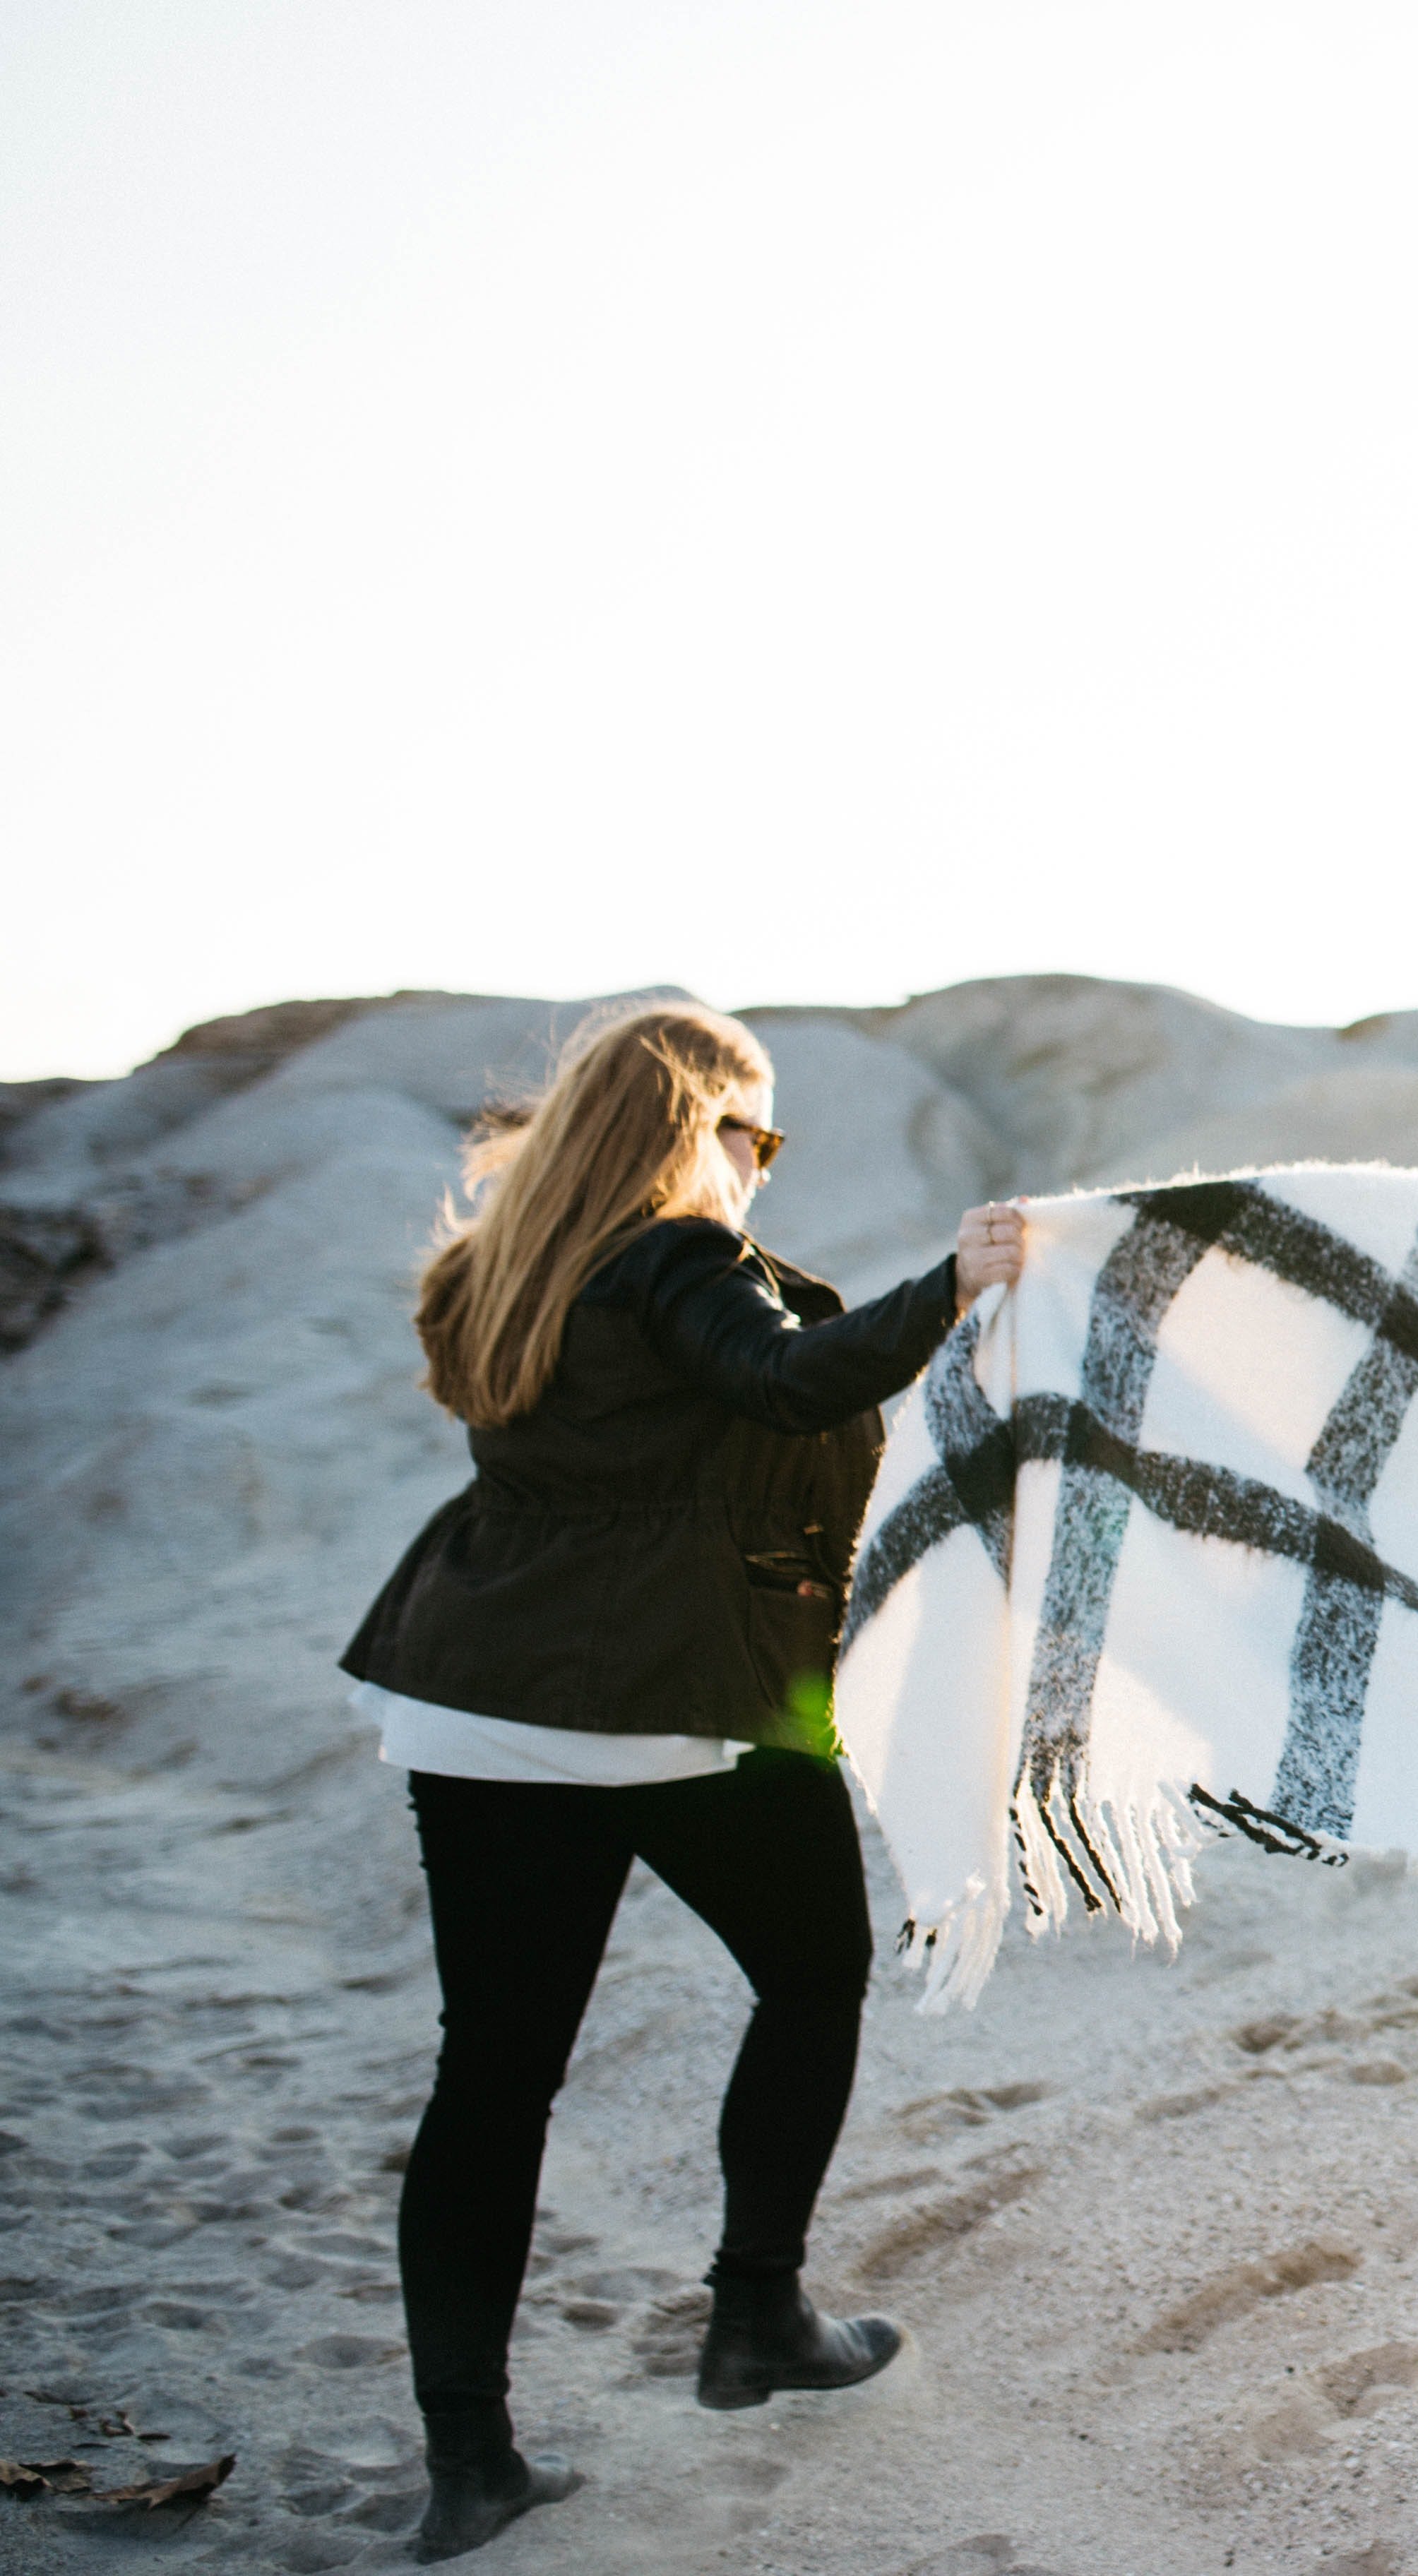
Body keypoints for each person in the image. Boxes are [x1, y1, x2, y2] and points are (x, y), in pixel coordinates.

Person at [338, 1001, 1027, 2562]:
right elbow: (781, 1384)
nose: (761, 1169)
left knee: (492, 2075)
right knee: (813, 1975)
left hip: (472, 1700)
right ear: (685, 1125)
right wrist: (957, 1283)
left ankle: (470, 2462)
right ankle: (759, 2318)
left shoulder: (495, 1263)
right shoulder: (674, 1259)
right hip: (664, 1701)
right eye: (753, 1134)